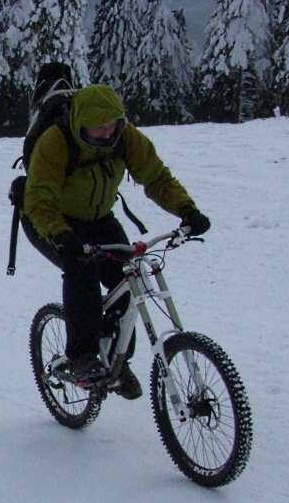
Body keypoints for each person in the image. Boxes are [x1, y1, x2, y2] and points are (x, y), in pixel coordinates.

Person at [21, 82, 210, 400]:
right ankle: (82, 358)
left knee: (128, 276)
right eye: (98, 128)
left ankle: (116, 360)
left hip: (98, 219)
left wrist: (187, 210)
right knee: (82, 270)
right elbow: (39, 197)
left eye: (112, 125)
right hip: (51, 220)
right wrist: (60, 235)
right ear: (81, 124)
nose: (107, 133)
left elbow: (157, 177)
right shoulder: (56, 142)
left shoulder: (126, 137)